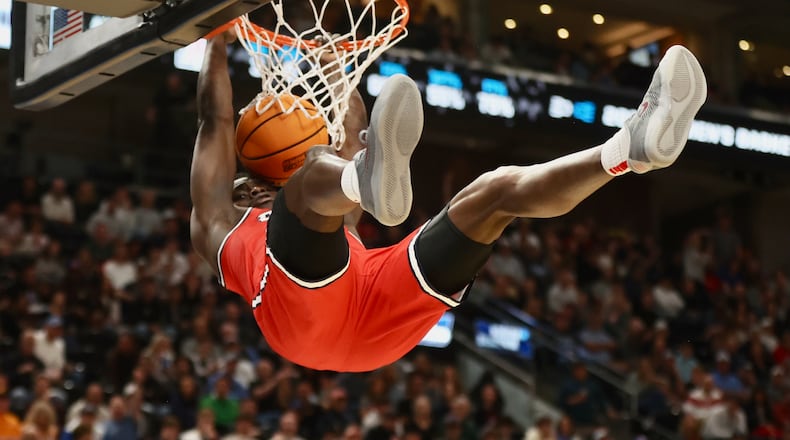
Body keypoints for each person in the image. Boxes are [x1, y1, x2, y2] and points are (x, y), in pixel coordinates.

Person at [189, 30, 707, 372]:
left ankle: (627, 149)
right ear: (246, 189)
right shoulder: (219, 222)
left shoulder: (319, 199)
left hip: (368, 292)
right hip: (300, 321)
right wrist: (213, 36)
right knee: (311, 179)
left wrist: (338, 71)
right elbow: (214, 120)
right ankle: (367, 178)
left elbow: (352, 125)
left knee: (495, 191)